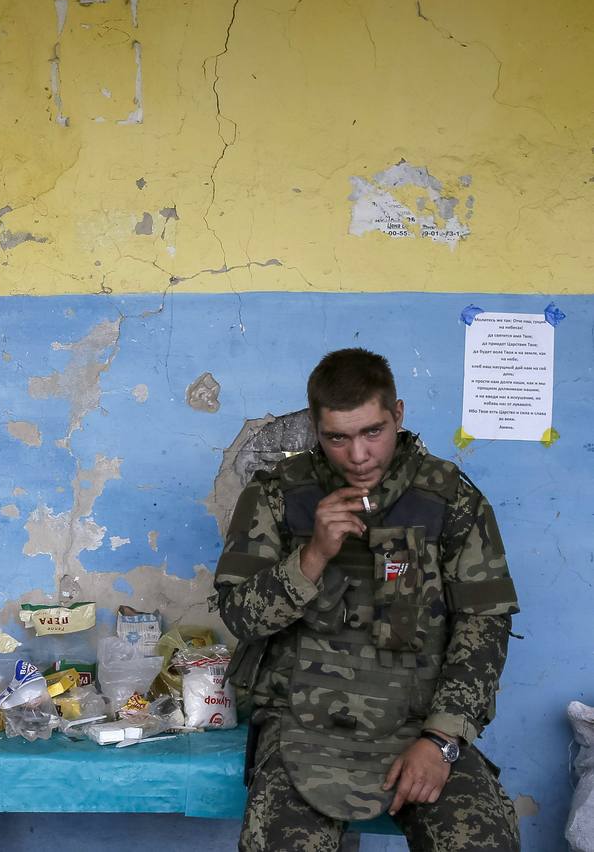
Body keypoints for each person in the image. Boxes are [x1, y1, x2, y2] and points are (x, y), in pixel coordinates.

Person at [215, 348, 521, 851]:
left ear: (397, 415)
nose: (358, 456)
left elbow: (484, 626)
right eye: (337, 438)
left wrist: (441, 741)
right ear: (316, 429)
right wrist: (312, 555)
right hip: (303, 728)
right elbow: (240, 617)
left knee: (483, 842)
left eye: (372, 432)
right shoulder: (277, 495)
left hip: (418, 724)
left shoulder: (450, 500)